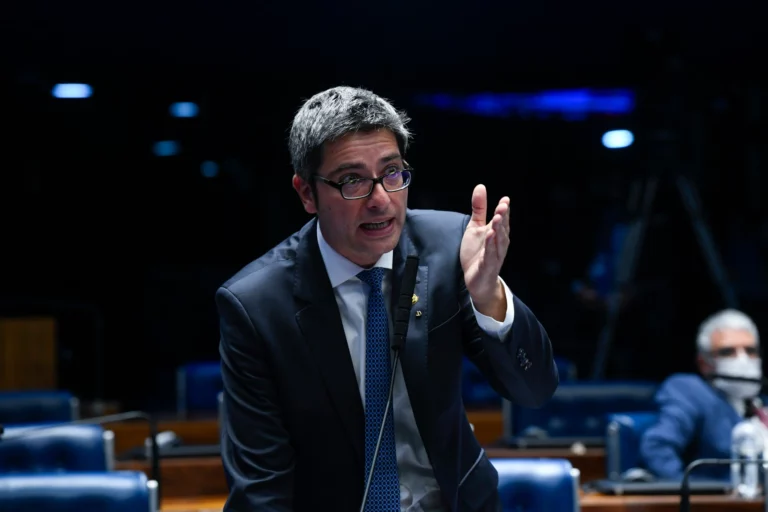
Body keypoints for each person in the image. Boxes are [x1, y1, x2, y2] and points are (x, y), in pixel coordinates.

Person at [217, 86, 559, 512]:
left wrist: (488, 296)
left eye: (392, 172)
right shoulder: (256, 306)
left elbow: (534, 390)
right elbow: (260, 490)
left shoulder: (450, 248)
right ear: (306, 193)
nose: (381, 200)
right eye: (352, 180)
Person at [639, 309, 763, 480]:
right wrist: (692, 491)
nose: (743, 360)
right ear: (704, 363)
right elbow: (657, 448)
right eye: (728, 352)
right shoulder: (690, 391)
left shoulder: (759, 404)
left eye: (750, 350)